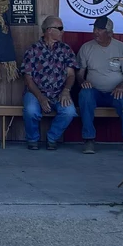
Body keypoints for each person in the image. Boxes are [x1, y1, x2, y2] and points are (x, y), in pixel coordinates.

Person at [76, 17, 123, 153]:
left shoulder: (121, 48)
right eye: (95, 28)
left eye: (100, 29)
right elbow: (80, 73)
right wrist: (82, 82)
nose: (96, 32)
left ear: (109, 33)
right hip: (94, 91)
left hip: (115, 91)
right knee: (85, 95)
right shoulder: (87, 47)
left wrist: (122, 85)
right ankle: (89, 139)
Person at [20, 15, 79, 151]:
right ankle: (33, 139)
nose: (63, 31)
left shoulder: (66, 49)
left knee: (69, 112)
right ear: (49, 30)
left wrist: (66, 91)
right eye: (60, 28)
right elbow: (28, 79)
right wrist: (40, 97)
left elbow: (71, 74)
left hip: (59, 92)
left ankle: (52, 138)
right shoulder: (33, 50)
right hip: (36, 92)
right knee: (30, 110)